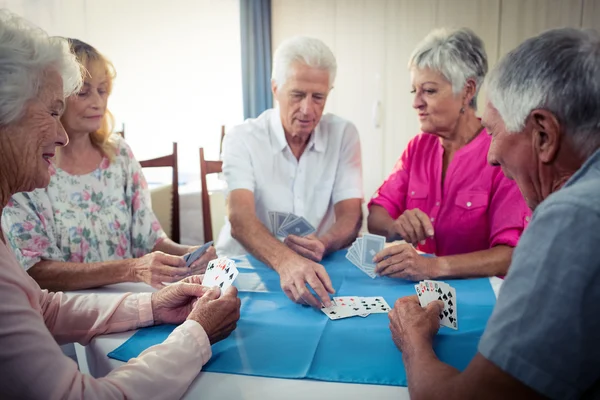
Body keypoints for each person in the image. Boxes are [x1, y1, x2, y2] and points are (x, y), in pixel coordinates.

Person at [0, 10, 241, 399]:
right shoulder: (26, 183)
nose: (60, 135)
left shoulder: (118, 155)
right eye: (52, 110)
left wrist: (153, 305)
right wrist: (198, 332)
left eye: (103, 89)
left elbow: (41, 308)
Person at [388, 27, 600, 399]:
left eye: (495, 131)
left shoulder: (572, 218)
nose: (490, 155)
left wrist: (413, 339)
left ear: (544, 135)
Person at [1, 38, 216, 291]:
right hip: (68, 314)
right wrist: (131, 269)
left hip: (133, 301)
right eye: (83, 91)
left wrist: (190, 254)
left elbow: (148, 240)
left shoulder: (119, 154)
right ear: (55, 96)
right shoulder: (27, 167)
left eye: (102, 90)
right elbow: (34, 270)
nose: (97, 102)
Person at [368, 28, 531, 281]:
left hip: (477, 299)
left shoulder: (500, 153)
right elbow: (377, 215)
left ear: (467, 91)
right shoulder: (417, 147)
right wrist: (395, 226)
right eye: (415, 91)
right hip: (418, 295)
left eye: (429, 91)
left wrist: (432, 268)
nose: (416, 102)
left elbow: (509, 255)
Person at [218, 36, 363, 308]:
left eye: (318, 97)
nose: (308, 109)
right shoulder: (241, 137)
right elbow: (240, 218)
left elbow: (351, 214)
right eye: (297, 95)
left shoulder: (344, 134)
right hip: (247, 270)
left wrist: (324, 243)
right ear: (276, 88)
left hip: (315, 267)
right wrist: (286, 260)